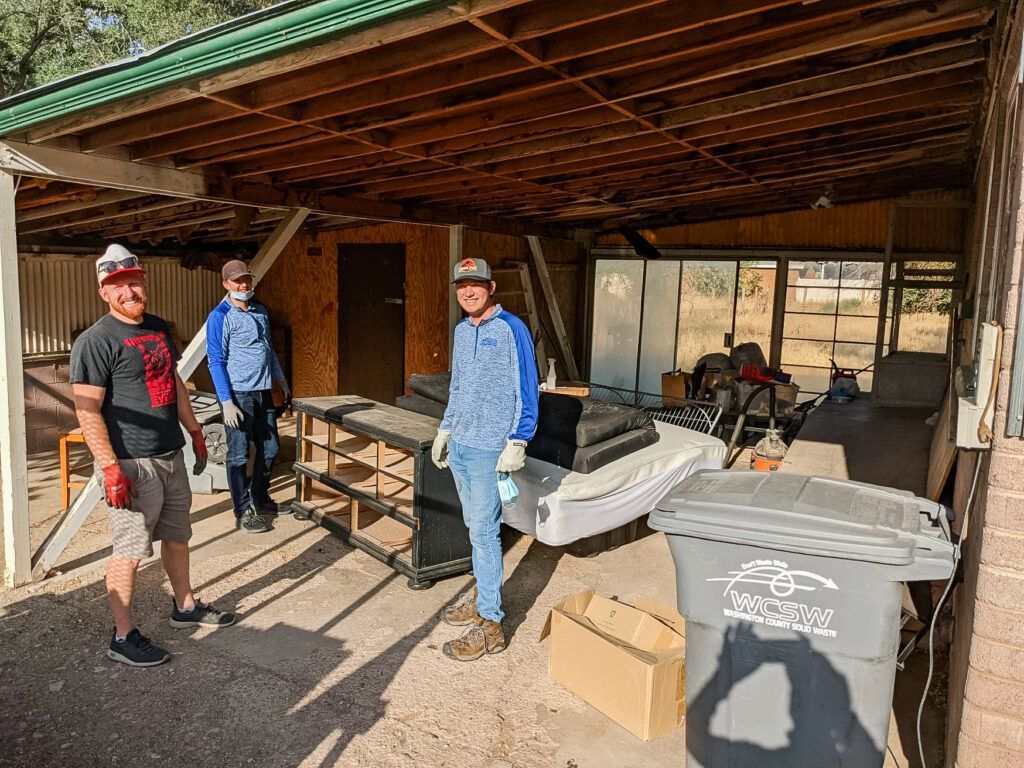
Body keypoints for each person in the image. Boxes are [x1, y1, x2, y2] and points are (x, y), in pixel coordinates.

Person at [71, 244, 235, 668]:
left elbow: (175, 382)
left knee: (178, 536)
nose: (128, 291)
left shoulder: (159, 328)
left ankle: (185, 607)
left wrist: (195, 431)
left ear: (143, 282)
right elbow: (87, 411)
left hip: (169, 455)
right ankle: (122, 637)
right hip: (129, 464)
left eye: (133, 281)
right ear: (104, 292)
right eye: (117, 285)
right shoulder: (95, 342)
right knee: (129, 550)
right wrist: (110, 469)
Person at [431, 257, 538, 662]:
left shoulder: (512, 329)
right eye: (462, 286)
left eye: (476, 284)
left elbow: (527, 386)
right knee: (474, 526)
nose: (468, 291)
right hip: (460, 443)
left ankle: (490, 623)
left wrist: (519, 439)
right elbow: (457, 386)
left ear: (492, 288)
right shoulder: (462, 330)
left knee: (485, 534)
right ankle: (481, 600)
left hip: (490, 447)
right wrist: (445, 429)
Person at [206, 259, 291, 534]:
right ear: (226, 285)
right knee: (239, 455)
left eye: (246, 279)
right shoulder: (220, 316)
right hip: (238, 394)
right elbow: (216, 361)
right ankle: (242, 511)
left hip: (263, 390)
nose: (243, 285)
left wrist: (281, 379)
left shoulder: (260, 311)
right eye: (237, 281)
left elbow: (268, 350)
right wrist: (226, 401)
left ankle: (261, 499)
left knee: (270, 448)